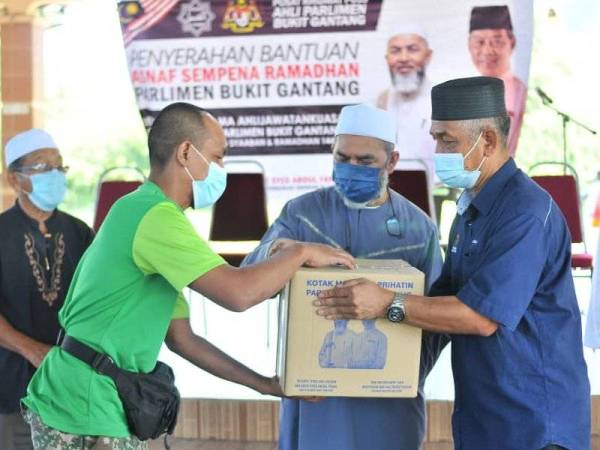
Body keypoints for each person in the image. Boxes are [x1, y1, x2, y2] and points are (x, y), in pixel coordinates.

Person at [21, 103, 354, 449]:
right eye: (218, 157)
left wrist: (266, 385)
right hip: (85, 405)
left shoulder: (147, 211)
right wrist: (299, 252)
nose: (222, 169)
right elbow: (238, 293)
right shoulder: (155, 217)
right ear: (185, 152)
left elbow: (182, 339)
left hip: (88, 397)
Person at [316, 77, 590, 450]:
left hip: (534, 420)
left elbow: (479, 317)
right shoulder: (470, 209)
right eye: (436, 138)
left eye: (448, 140)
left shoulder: (524, 213)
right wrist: (393, 370)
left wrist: (385, 304)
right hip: (486, 413)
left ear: (488, 140)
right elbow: (441, 303)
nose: (438, 150)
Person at [243, 103, 444, 450]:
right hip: (316, 398)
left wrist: (407, 374)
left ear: (391, 162)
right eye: (342, 158)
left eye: (365, 162)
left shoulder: (417, 228)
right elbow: (250, 277)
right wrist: (283, 251)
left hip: (389, 402)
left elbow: (437, 316)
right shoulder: (302, 214)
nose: (351, 169)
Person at [0, 129, 94, 450]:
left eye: (59, 166)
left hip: (72, 383)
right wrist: (32, 350)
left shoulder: (79, 232)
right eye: (42, 167)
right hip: (14, 385)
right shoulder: (1, 233)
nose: (54, 175)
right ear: (15, 180)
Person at [376, 26, 436, 179]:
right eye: (395, 51)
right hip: (391, 192)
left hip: (436, 193)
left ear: (428, 56)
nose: (403, 58)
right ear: (387, 58)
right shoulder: (381, 102)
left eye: (412, 49)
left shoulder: (444, 99)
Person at [468, 5, 527, 157]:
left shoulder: (516, 89)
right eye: (479, 42)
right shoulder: (470, 91)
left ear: (512, 43)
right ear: (469, 45)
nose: (487, 51)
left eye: (497, 42)